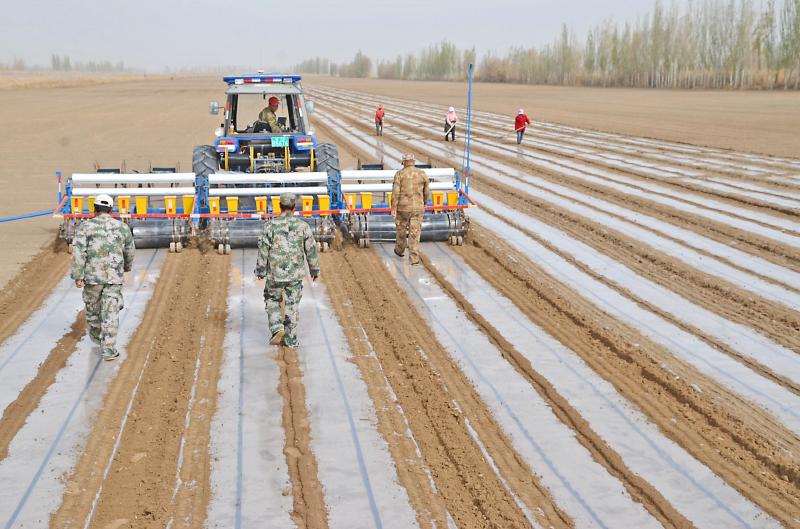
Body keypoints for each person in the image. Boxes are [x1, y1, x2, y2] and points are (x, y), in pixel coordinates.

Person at [70, 193, 135, 361]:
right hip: (114, 277)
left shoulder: (85, 227)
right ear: (111, 210)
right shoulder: (122, 227)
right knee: (111, 311)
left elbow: (78, 252)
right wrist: (126, 267)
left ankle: (98, 339)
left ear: (94, 209)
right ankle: (109, 348)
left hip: (92, 278)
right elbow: (129, 250)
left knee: (93, 310)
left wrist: (78, 275)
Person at [255, 192, 320, 348]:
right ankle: (291, 341)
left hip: (275, 274)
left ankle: (277, 327)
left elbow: (263, 249)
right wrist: (314, 271)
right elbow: (311, 250)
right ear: (295, 206)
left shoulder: (269, 226)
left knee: (272, 299)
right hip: (295, 275)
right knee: (292, 305)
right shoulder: (303, 226)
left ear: (279, 206)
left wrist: (261, 271)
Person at [391, 153, 431, 265]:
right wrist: (424, 202)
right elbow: (427, 192)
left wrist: (393, 207)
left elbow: (395, 193)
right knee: (415, 233)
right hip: (418, 208)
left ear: (403, 162)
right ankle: (414, 258)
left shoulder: (399, 174)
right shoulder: (422, 174)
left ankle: (399, 250)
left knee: (401, 230)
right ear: (414, 161)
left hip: (402, 209)